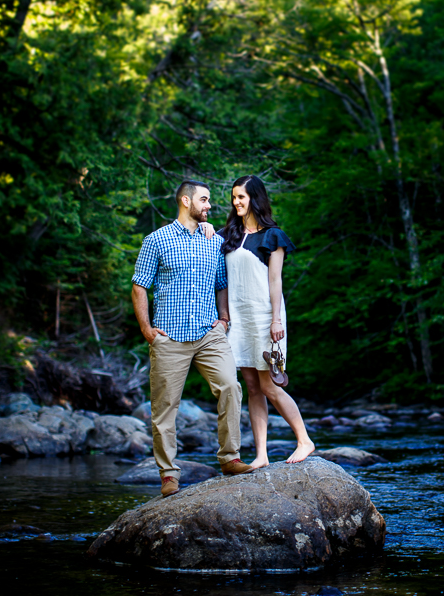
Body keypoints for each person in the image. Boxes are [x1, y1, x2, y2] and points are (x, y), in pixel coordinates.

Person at [131, 179, 252, 498]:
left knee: (230, 387)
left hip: (209, 333)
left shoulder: (214, 240)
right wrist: (146, 328)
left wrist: (223, 318)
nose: (209, 205)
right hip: (169, 336)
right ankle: (169, 475)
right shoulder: (156, 240)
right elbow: (139, 285)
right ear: (185, 201)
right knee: (165, 408)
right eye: (204, 199)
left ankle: (230, 458)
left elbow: (221, 282)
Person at [201, 175, 314, 468]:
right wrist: (207, 229)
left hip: (265, 317)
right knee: (252, 387)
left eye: (242, 197)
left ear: (255, 198)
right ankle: (261, 454)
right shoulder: (229, 235)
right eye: (234, 197)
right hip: (237, 319)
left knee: (270, 385)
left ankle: (304, 440)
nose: (236, 202)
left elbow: (275, 282)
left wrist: (276, 320)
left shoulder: (272, 236)